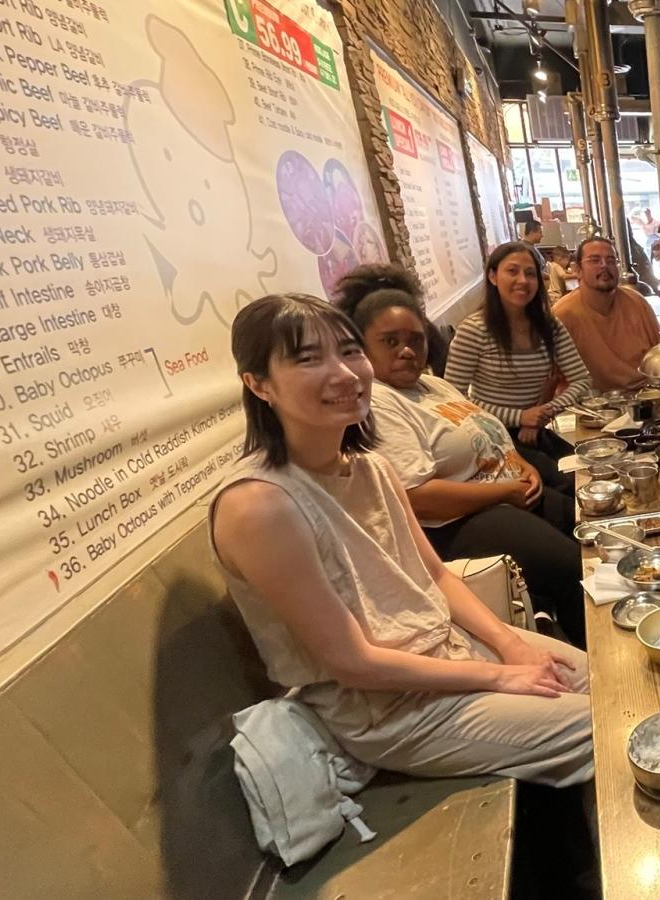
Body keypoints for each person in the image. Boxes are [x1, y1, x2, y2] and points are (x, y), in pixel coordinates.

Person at [210, 292, 593, 792]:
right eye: (308, 358)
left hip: (454, 651)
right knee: (609, 727)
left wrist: (508, 644)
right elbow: (353, 664)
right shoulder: (259, 505)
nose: (345, 373)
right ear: (258, 384)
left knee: (613, 683)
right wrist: (500, 676)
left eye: (349, 352)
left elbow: (433, 575)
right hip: (389, 709)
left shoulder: (371, 468)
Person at [334, 264, 585, 646]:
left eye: (416, 340)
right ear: (361, 346)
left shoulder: (431, 384)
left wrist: (518, 464)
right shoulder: (378, 401)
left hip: (504, 493)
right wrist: (506, 491)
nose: (406, 350)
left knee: (590, 521)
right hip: (456, 524)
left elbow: (486, 432)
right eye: (390, 341)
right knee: (572, 566)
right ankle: (600, 671)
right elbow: (416, 499)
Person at [444, 241, 593, 455]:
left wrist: (542, 414)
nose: (523, 280)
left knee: (584, 470)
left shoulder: (549, 325)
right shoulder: (474, 329)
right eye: (512, 271)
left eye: (530, 273)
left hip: (535, 431)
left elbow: (582, 380)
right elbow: (453, 400)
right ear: (493, 276)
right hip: (491, 439)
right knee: (562, 484)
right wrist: (519, 417)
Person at [555, 236, 660, 391]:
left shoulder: (637, 302)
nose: (604, 266)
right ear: (578, 270)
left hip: (643, 396)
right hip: (593, 405)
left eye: (611, 260)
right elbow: (554, 378)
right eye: (594, 260)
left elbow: (659, 355)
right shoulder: (563, 314)